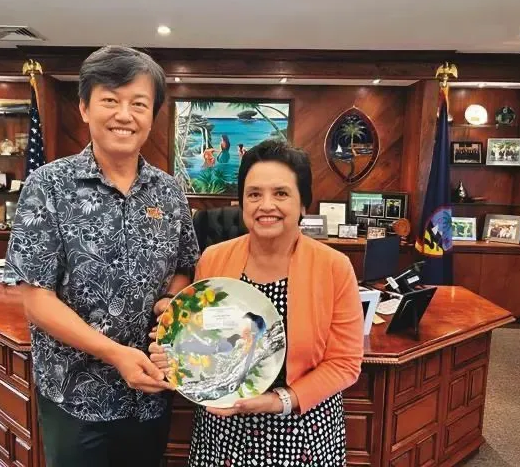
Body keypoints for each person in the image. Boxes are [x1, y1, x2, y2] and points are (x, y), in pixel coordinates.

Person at [5, 45, 200, 467]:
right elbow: (36, 298)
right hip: (75, 395)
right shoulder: (48, 186)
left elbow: (184, 268)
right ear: (84, 108)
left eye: (139, 104)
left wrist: (170, 302)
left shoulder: (169, 192)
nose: (124, 115)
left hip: (150, 390)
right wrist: (115, 354)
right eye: (110, 100)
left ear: (153, 115)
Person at [150, 138, 364, 466]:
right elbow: (202, 339)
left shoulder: (334, 267)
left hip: (302, 429)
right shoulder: (213, 259)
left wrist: (279, 401)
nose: (266, 205)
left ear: (303, 204)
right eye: (254, 194)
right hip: (224, 431)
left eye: (281, 193)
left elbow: (344, 363)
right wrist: (173, 349)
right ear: (242, 203)